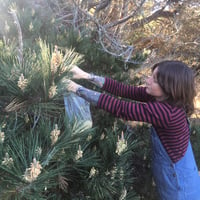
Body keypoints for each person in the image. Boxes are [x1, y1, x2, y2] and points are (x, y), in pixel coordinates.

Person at [66, 60, 200, 200]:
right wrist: (85, 75)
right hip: (183, 168)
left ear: (169, 87)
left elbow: (121, 108)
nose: (147, 80)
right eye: (151, 76)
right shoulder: (166, 98)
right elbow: (124, 90)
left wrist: (76, 89)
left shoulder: (167, 113)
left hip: (179, 184)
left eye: (154, 80)